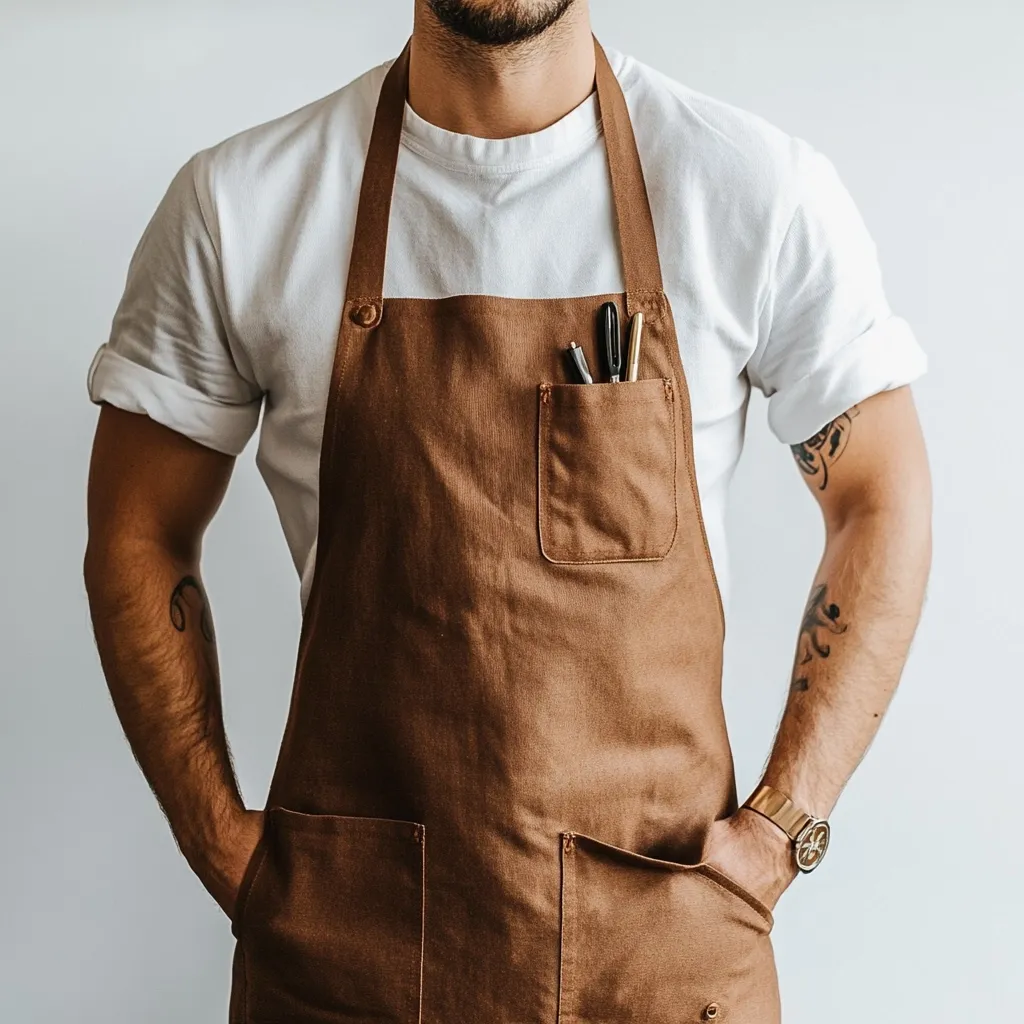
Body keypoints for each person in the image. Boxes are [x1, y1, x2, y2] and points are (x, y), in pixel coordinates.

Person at [83, 1, 932, 1021]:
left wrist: (783, 828)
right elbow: (136, 532)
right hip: (347, 964)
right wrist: (219, 841)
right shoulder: (241, 205)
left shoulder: (751, 189)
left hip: (665, 960)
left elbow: (880, 496)